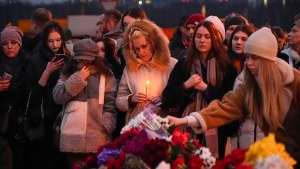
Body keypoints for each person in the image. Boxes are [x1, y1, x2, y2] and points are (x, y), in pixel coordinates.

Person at [167, 27, 300, 169]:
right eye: (247, 57)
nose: (249, 63)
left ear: (268, 59)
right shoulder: (248, 85)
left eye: (254, 58)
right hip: (277, 159)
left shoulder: (295, 82)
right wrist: (185, 120)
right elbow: (224, 108)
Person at [162, 16, 236, 158]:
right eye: (199, 36)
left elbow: (229, 99)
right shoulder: (184, 63)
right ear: (193, 39)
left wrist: (206, 89)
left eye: (207, 37)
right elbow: (168, 98)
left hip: (216, 125)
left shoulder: (225, 65)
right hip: (186, 125)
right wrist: (186, 85)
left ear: (214, 39)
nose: (202, 41)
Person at [52, 39, 117, 169]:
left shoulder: (106, 74)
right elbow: (57, 97)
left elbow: (111, 102)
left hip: (98, 134)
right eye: (81, 59)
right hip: (72, 135)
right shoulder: (68, 72)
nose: (84, 62)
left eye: (88, 59)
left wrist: (107, 123)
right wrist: (77, 78)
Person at [24, 21, 70, 169]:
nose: (55, 44)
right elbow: (32, 97)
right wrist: (47, 72)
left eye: (58, 40)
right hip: (45, 120)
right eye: (50, 41)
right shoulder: (35, 60)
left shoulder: (68, 59)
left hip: (65, 118)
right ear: (44, 41)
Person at [116, 19, 177, 124]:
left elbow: (179, 99)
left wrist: (163, 102)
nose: (141, 52)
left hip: (164, 125)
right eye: (136, 49)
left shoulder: (171, 65)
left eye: (144, 46)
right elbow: (119, 100)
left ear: (153, 43)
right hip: (136, 127)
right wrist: (131, 99)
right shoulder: (130, 68)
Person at [0, 26, 29, 169]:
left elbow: (30, 91)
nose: (9, 47)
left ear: (19, 44)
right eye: (5, 43)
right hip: (1, 118)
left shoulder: (28, 62)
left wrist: (10, 89)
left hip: (21, 118)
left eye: (13, 42)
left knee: (21, 158)